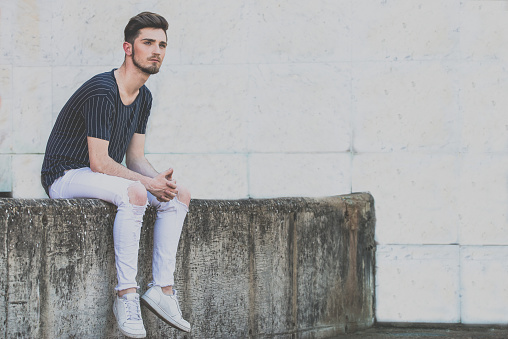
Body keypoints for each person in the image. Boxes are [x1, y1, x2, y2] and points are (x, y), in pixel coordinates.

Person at [41, 12, 190, 338]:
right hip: (64, 175)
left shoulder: (144, 97)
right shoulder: (102, 90)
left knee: (179, 195)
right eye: (148, 42)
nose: (157, 51)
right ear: (128, 47)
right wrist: (146, 184)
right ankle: (126, 295)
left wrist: (159, 182)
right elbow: (99, 162)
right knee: (135, 193)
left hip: (95, 174)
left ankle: (163, 291)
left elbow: (134, 158)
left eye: (162, 44)